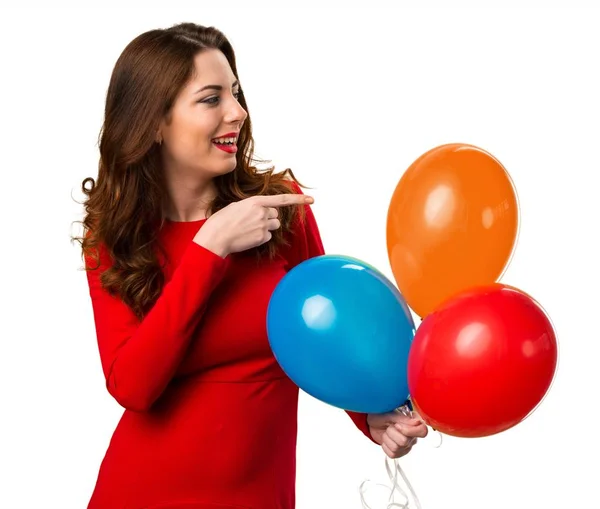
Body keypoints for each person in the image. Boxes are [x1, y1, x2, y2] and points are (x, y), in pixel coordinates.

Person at [75, 22, 428, 509]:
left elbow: (327, 331)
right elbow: (133, 386)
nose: (237, 113)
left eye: (236, 94)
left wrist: (369, 417)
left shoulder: (280, 211)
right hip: (140, 491)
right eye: (211, 98)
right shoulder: (114, 238)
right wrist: (210, 248)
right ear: (154, 123)